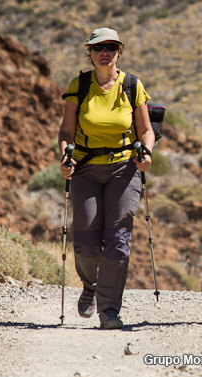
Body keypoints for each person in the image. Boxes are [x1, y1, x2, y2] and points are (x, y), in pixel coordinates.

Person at [58, 27, 154, 329]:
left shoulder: (132, 85)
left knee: (118, 241)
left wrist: (147, 152)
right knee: (86, 244)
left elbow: (146, 130)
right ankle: (91, 284)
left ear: (119, 52)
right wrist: (65, 155)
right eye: (99, 47)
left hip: (124, 170)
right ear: (89, 52)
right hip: (86, 169)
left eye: (111, 47)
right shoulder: (80, 85)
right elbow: (66, 131)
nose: (105, 53)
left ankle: (109, 310)